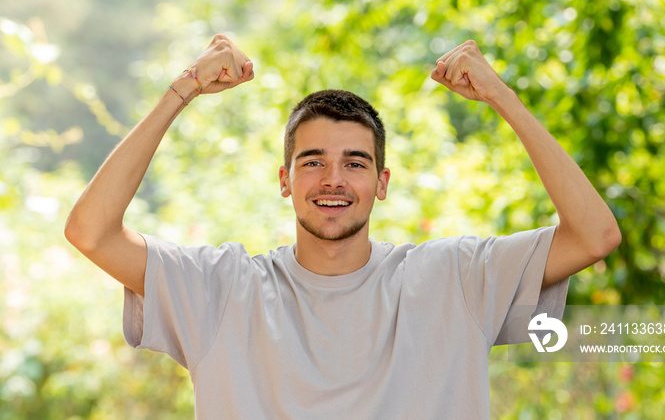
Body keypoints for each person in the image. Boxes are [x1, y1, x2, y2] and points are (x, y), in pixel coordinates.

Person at [65, 34, 621, 419]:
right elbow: (91, 231)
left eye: (354, 163)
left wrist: (500, 95)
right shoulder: (219, 288)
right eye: (313, 162)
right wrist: (184, 86)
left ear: (381, 182)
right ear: (285, 179)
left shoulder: (457, 277)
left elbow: (594, 235)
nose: (333, 179)